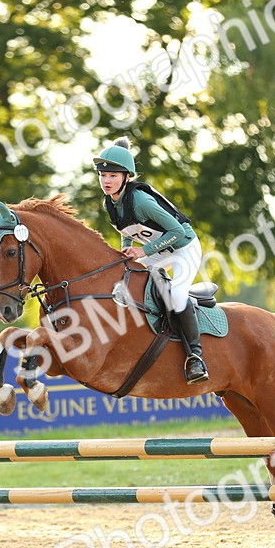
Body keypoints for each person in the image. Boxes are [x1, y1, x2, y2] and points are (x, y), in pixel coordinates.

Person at [92, 137, 208, 384]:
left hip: (183, 248)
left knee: (177, 294)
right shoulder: (109, 203)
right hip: (157, 251)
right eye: (102, 175)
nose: (106, 181)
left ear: (126, 177)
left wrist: (143, 252)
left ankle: (196, 357)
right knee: (120, 284)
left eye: (112, 176)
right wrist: (127, 251)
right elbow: (126, 231)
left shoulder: (141, 200)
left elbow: (177, 231)